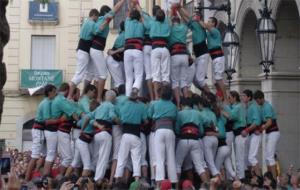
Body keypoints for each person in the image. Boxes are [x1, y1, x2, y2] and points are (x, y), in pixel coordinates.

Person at [87, 1, 125, 102]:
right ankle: (99, 98)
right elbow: (116, 9)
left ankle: (91, 97)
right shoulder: (104, 19)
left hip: (93, 50)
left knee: (95, 75)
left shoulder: (98, 20)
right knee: (103, 75)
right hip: (96, 50)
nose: (112, 17)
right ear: (106, 13)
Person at [44, 83, 79, 176]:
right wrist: (81, 123)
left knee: (55, 156)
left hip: (57, 130)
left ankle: (54, 177)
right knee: (60, 157)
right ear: (69, 91)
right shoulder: (61, 100)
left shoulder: (58, 99)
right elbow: (73, 113)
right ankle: (57, 178)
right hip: (58, 131)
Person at [85, 90, 118, 185]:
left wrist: (84, 129)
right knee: (103, 157)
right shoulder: (111, 106)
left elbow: (88, 118)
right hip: (105, 134)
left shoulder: (99, 107)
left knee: (96, 156)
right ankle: (98, 179)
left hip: (97, 134)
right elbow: (112, 116)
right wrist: (120, 122)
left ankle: (91, 176)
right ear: (113, 98)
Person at [114, 90, 148, 183]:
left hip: (125, 134)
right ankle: (136, 181)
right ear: (137, 97)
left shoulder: (124, 105)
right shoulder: (142, 106)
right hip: (136, 134)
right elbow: (146, 121)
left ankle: (117, 180)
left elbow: (118, 118)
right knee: (136, 159)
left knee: (122, 158)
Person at [148, 85, 178, 188]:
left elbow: (149, 115)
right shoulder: (173, 106)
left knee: (159, 157)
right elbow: (175, 118)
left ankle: (159, 183)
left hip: (159, 130)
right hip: (170, 130)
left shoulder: (155, 104)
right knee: (171, 157)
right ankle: (173, 182)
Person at [25, 84, 57, 181]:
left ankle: (36, 174)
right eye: (55, 92)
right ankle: (26, 180)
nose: (56, 94)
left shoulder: (47, 102)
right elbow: (47, 120)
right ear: (50, 92)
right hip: (38, 130)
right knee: (35, 156)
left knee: (43, 155)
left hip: (40, 130)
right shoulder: (46, 103)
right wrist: (60, 119)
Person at [175, 97, 209, 184]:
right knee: (199, 166)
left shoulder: (180, 113)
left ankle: (176, 187)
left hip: (184, 140)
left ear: (182, 105)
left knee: (177, 165)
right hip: (196, 140)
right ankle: (208, 186)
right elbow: (204, 125)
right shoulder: (198, 113)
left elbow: (177, 129)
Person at [68, 9, 99, 100]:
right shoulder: (91, 23)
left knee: (89, 73)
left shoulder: (86, 22)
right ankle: (69, 95)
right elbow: (97, 31)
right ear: (94, 15)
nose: (97, 20)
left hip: (83, 51)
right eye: (97, 17)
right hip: (83, 51)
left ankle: (82, 94)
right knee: (79, 75)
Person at [178, 7, 211, 93]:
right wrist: (178, 10)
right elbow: (185, 18)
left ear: (198, 17)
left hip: (203, 53)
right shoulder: (194, 25)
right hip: (199, 54)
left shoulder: (198, 24)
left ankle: (211, 96)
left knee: (199, 80)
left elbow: (187, 17)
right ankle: (206, 94)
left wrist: (179, 8)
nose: (193, 17)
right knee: (195, 80)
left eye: (194, 15)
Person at [143, 8, 171, 100]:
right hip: (165, 49)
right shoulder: (167, 23)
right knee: (165, 75)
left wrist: (138, 6)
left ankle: (157, 98)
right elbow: (170, 16)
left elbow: (144, 18)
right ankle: (166, 97)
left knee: (156, 75)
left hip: (155, 48)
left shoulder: (152, 22)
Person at [66, 100, 99, 177]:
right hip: (83, 142)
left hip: (79, 141)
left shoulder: (86, 116)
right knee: (87, 166)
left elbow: (78, 123)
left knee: (74, 163)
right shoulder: (92, 117)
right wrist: (85, 130)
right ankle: (82, 184)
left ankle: (65, 178)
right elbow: (91, 122)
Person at [254, 90, 280, 179]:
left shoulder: (267, 107)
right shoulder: (262, 107)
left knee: (270, 156)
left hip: (273, 132)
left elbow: (269, 122)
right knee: (267, 157)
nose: (257, 103)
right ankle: (270, 178)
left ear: (261, 98)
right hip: (269, 133)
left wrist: (260, 130)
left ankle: (274, 179)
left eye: (257, 101)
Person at [200, 17, 227, 100]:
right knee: (215, 81)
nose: (207, 23)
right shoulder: (208, 33)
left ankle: (225, 98)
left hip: (218, 57)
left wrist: (198, 20)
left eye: (209, 21)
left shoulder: (215, 31)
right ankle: (220, 94)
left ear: (213, 24)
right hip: (214, 58)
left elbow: (205, 26)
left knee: (219, 79)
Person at [222, 91, 247, 180]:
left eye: (229, 97)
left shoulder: (238, 106)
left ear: (234, 98)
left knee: (239, 157)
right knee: (237, 157)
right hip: (237, 133)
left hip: (240, 133)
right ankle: (239, 176)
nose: (229, 100)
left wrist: (222, 109)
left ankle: (241, 177)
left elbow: (231, 116)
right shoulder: (236, 106)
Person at [123, 3, 145, 96]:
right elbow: (144, 19)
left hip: (127, 51)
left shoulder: (127, 22)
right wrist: (137, 6)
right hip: (138, 50)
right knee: (139, 74)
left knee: (128, 77)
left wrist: (132, 5)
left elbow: (128, 13)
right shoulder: (142, 25)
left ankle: (128, 96)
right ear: (139, 17)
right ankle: (135, 88)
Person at [109, 85, 128, 186]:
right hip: (122, 127)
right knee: (120, 155)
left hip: (112, 127)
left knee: (114, 154)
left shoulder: (114, 100)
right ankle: (116, 181)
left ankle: (112, 180)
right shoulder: (128, 99)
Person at [168, 16, 189, 107]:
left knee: (175, 81)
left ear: (172, 22)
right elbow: (186, 20)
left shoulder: (170, 28)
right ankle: (187, 103)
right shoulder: (184, 27)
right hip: (185, 55)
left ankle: (178, 103)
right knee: (184, 81)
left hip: (175, 55)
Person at [198, 95, 220, 179]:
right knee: (211, 162)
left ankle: (220, 182)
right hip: (215, 138)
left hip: (207, 138)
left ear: (201, 104)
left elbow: (201, 129)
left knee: (210, 163)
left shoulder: (200, 113)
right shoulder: (213, 113)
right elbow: (216, 127)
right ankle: (212, 182)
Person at [142, 5, 161, 100]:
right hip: (155, 46)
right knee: (156, 74)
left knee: (149, 74)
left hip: (146, 46)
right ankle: (158, 96)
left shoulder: (147, 19)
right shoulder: (160, 22)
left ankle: (153, 98)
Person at [241, 89, 262, 176]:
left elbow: (257, 122)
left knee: (252, 157)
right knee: (247, 158)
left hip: (254, 134)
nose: (242, 97)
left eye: (244, 96)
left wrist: (246, 130)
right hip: (250, 134)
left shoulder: (254, 107)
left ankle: (260, 179)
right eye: (242, 96)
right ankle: (251, 177)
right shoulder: (247, 107)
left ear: (249, 97)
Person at [106, 21, 126, 90]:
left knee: (120, 82)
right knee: (120, 83)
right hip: (115, 61)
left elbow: (111, 51)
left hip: (114, 60)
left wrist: (112, 52)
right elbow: (124, 48)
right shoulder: (125, 35)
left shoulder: (121, 35)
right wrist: (114, 52)